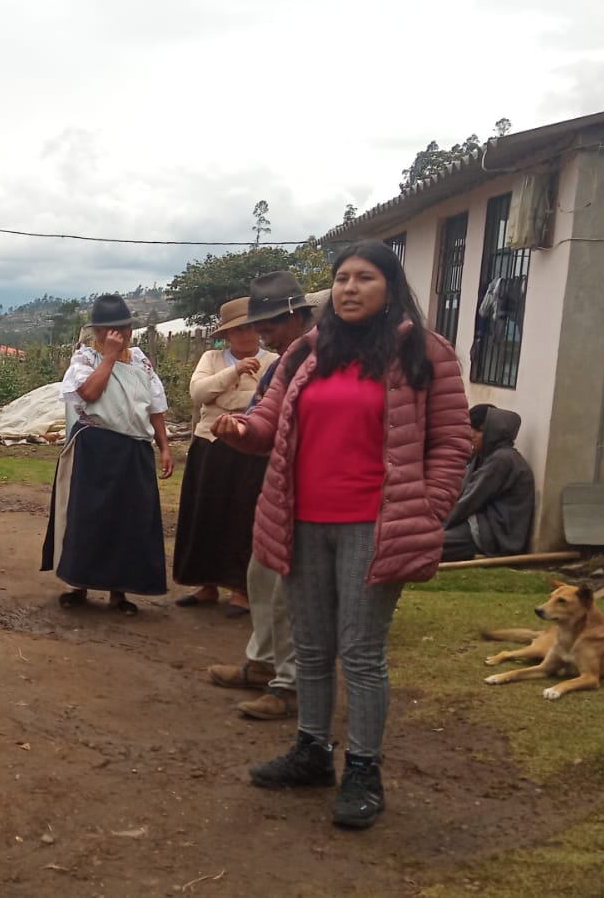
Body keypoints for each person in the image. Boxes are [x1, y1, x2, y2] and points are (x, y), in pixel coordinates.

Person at [213, 240, 471, 830]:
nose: (351, 288)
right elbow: (269, 419)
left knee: (360, 651)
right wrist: (241, 429)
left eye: (365, 278)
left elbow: (453, 442)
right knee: (309, 646)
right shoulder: (309, 350)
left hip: (374, 525)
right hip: (302, 521)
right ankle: (311, 751)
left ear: (391, 287)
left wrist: (427, 509)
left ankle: (363, 769)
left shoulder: (424, 353)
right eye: (343, 278)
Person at [206, 272, 317, 721]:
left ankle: (290, 686)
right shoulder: (285, 363)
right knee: (262, 573)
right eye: (258, 326)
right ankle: (262, 663)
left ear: (295, 315)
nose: (262, 335)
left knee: (292, 589)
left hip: (316, 488)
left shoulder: (327, 357)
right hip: (280, 482)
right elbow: (264, 414)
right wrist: (243, 427)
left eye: (268, 325)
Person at [41, 294, 173, 614]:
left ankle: (119, 592)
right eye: (108, 330)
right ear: (97, 332)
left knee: (129, 520)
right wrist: (110, 357)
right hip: (96, 448)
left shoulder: (140, 361)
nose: (117, 335)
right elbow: (88, 393)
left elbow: (155, 407)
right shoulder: (86, 359)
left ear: (130, 329)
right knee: (89, 518)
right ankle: (78, 584)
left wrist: (165, 447)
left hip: (134, 450)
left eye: (122, 329)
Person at [173, 296, 276, 617]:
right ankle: (206, 584)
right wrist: (234, 373)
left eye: (250, 328)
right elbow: (198, 394)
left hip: (253, 448)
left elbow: (269, 401)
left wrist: (225, 398)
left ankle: (240, 589)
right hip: (211, 445)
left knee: (243, 515)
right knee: (206, 513)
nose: (245, 335)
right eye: (237, 330)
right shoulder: (213, 358)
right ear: (227, 335)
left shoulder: (274, 361)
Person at [443, 404, 534, 561]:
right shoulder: (484, 455)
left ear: (491, 433)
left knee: (425, 544)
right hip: (477, 524)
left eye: (477, 431)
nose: (471, 435)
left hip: (492, 535)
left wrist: (440, 525)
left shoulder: (502, 460)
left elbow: (470, 500)